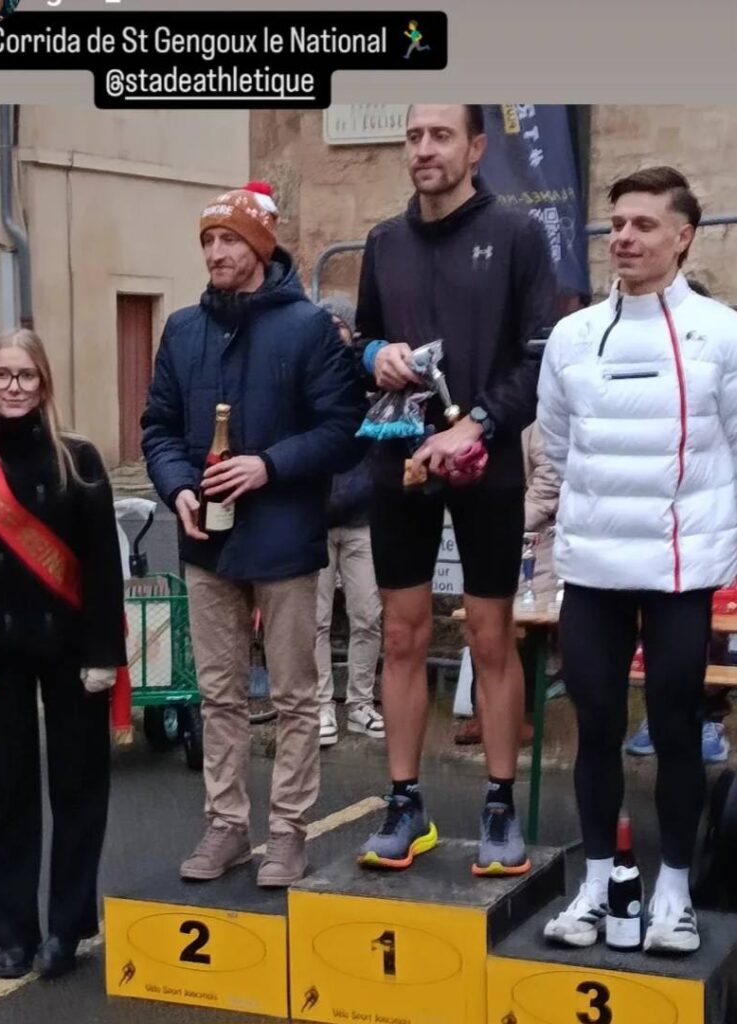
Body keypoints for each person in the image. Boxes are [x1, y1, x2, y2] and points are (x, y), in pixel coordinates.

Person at [353, 104, 559, 876]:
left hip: (486, 463)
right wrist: (373, 354)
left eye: (439, 135)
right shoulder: (382, 242)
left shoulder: (516, 235)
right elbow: (361, 342)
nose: (423, 150)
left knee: (487, 634)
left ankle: (498, 803)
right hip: (396, 459)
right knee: (402, 633)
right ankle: (404, 805)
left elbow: (537, 358)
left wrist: (473, 425)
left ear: (475, 148)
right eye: (412, 136)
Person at [141, 181, 364, 888]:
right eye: (207, 240)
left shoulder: (306, 328)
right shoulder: (181, 329)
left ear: (260, 247)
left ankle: (289, 830)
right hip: (205, 540)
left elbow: (342, 431)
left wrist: (267, 465)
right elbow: (157, 426)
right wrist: (176, 485)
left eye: (229, 239)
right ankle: (226, 826)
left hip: (285, 536)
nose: (215, 252)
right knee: (219, 693)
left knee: (296, 694)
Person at [538, 166, 737, 953]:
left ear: (682, 236)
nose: (622, 237)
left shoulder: (721, 332)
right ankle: (596, 887)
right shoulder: (573, 335)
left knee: (676, 727)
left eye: (643, 225)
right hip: (591, 568)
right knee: (592, 724)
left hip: (681, 574)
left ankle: (675, 894)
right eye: (615, 223)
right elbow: (557, 441)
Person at [0, 329, 126, 980]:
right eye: (2, 376)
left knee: (78, 789)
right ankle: (13, 932)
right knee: (6, 794)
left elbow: (101, 568)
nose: (14, 387)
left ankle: (67, 928)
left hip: (72, 651)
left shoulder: (80, 459)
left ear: (44, 384)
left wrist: (104, 652)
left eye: (26, 376)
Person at [624, 276, 732, 766]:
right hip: (654, 529)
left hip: (714, 528)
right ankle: (656, 714)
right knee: (654, 624)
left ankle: (710, 719)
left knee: (710, 626)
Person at [455, 420, 560, 745]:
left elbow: (547, 483)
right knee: (479, 626)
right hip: (486, 535)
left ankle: (522, 718)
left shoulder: (537, 417)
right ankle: (481, 713)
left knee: (524, 631)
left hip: (533, 543)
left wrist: (505, 524)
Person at [314, 294, 384, 747]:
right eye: (327, 325)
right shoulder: (308, 383)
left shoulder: (369, 385)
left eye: (340, 326)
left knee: (368, 614)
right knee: (314, 621)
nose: (334, 333)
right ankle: (320, 704)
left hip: (361, 518)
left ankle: (359, 703)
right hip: (315, 520)